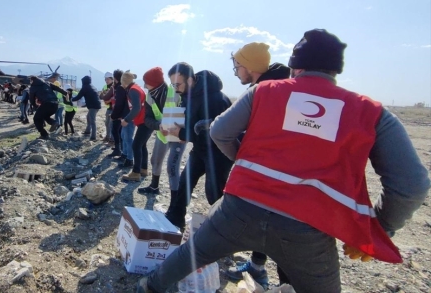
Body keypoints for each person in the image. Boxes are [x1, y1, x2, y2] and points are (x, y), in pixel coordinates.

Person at [138, 29, 431, 293]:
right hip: (308, 228)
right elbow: (412, 184)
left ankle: (149, 287)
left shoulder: (264, 91)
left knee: (193, 253)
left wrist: (244, 162)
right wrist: (378, 227)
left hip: (240, 209)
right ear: (336, 70)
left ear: (295, 66)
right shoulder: (371, 113)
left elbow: (219, 131)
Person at [224, 42, 291, 286]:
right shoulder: (276, 85)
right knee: (270, 230)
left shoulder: (265, 91)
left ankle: (286, 286)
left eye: (237, 66)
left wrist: (237, 155)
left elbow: (223, 131)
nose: (236, 71)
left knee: (283, 236)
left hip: (277, 173)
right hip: (278, 169)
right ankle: (257, 267)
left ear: (249, 66)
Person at [162, 62, 233, 230]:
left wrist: (181, 134)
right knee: (184, 183)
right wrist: (175, 130)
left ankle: (226, 230)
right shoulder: (188, 95)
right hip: (200, 150)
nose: (175, 88)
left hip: (218, 153)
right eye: (172, 85)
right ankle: (175, 219)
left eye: (177, 84)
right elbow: (190, 124)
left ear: (191, 80)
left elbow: (214, 133)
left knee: (214, 193)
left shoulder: (215, 99)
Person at [137, 67, 186, 194]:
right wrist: (158, 125)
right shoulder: (149, 97)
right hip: (162, 134)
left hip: (178, 136)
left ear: (154, 83)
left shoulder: (175, 92)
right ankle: (154, 187)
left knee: (172, 167)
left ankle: (176, 200)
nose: (145, 85)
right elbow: (147, 118)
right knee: (155, 161)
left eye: (146, 82)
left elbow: (187, 112)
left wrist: (184, 133)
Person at [121, 71, 148, 181]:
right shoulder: (137, 87)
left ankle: (136, 173)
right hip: (146, 120)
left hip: (144, 121)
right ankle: (143, 169)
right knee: (142, 145)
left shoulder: (133, 90)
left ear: (124, 81)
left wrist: (126, 119)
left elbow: (136, 108)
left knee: (136, 145)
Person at [29, 75, 68, 139]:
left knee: (36, 118)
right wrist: (65, 93)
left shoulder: (33, 87)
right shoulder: (47, 83)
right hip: (55, 104)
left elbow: (31, 100)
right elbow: (57, 88)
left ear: (32, 80)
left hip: (46, 104)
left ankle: (44, 134)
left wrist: (35, 106)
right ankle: (54, 122)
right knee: (45, 116)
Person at [72, 75, 102, 141]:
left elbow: (78, 96)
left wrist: (71, 99)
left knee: (92, 120)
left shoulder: (85, 87)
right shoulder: (92, 86)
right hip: (96, 105)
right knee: (88, 117)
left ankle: (93, 137)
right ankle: (87, 131)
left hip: (93, 106)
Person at [108, 70, 128, 159]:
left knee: (115, 131)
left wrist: (113, 116)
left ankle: (118, 150)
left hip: (119, 114)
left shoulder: (119, 88)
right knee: (120, 132)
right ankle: (120, 148)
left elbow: (119, 104)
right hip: (123, 114)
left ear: (115, 78)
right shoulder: (123, 86)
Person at [99, 72, 115, 143]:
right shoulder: (105, 87)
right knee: (107, 123)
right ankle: (107, 136)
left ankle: (112, 138)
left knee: (111, 124)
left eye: (108, 79)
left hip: (114, 108)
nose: (106, 81)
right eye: (105, 79)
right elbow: (101, 96)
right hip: (109, 107)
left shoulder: (115, 86)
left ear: (112, 79)